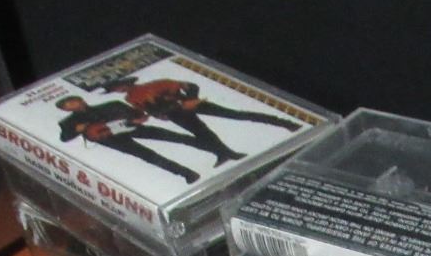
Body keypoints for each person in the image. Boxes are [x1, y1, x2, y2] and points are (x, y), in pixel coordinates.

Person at [102, 75, 301, 165]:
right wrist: (148, 117)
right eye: (115, 89)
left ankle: (287, 123)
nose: (119, 90)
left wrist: (190, 100)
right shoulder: (130, 99)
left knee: (236, 115)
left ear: (126, 83)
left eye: (118, 86)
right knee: (202, 133)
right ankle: (224, 153)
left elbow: (190, 86)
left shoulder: (156, 84)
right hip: (175, 114)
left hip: (188, 105)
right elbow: (144, 111)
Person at [55, 95, 210, 183]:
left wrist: (139, 118)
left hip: (129, 127)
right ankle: (187, 174)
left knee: (170, 136)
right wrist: (76, 130)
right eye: (67, 106)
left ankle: (209, 145)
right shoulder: (69, 122)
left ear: (80, 99)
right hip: (112, 140)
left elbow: (137, 114)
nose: (71, 106)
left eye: (72, 102)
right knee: (149, 156)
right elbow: (64, 137)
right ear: (65, 110)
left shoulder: (111, 105)